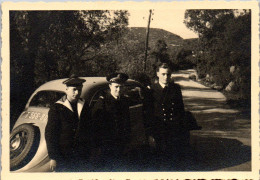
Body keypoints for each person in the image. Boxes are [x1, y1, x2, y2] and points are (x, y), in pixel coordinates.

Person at [45, 75, 91, 172]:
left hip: (81, 154)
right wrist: (53, 157)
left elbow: (89, 128)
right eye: (74, 89)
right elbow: (50, 134)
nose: (77, 93)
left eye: (79, 89)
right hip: (63, 155)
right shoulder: (57, 108)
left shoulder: (84, 105)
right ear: (66, 89)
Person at [91, 73, 131, 170]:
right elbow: (96, 126)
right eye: (116, 87)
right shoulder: (103, 102)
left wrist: (127, 142)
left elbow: (127, 123)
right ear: (110, 86)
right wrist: (98, 147)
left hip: (121, 145)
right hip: (107, 146)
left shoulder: (124, 101)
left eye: (121, 87)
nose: (119, 90)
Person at [148, 63, 189, 157]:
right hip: (159, 131)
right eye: (163, 74)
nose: (166, 77)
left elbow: (180, 110)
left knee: (174, 158)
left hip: (174, 130)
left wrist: (181, 131)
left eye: (168, 74)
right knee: (160, 159)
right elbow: (148, 114)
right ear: (157, 74)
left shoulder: (176, 89)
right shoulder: (151, 90)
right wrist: (150, 134)